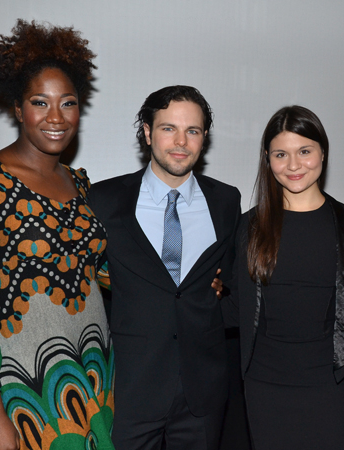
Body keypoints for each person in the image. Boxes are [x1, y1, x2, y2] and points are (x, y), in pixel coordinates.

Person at [0, 20, 114, 450]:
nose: (56, 117)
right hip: (26, 389)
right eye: (40, 102)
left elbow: (113, 274)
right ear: (18, 109)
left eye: (68, 103)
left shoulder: (82, 185)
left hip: (97, 377)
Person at [88, 85, 241, 449]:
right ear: (146, 132)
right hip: (127, 390)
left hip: (202, 394)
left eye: (193, 131)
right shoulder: (103, 200)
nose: (181, 141)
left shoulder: (226, 200)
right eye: (168, 128)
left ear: (204, 138)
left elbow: (230, 279)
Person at [220, 106, 344, 450]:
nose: (294, 165)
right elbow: (234, 307)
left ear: (323, 152)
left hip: (330, 385)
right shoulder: (248, 226)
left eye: (305, 151)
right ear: (267, 160)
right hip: (264, 384)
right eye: (281, 154)